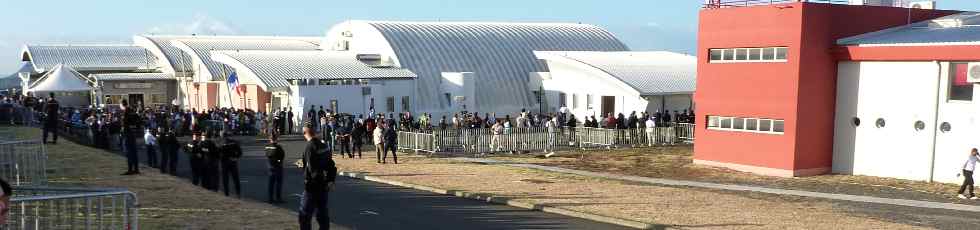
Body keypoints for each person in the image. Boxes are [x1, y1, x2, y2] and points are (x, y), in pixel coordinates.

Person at [295, 121, 337, 230]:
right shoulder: (324, 146)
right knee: (322, 215)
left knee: (304, 216)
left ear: (305, 133)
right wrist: (330, 180)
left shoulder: (309, 147)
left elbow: (311, 169)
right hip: (324, 186)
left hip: (312, 187)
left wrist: (308, 180)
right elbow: (331, 165)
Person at [121, 100, 141, 175]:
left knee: (129, 153)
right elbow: (139, 122)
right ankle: (136, 169)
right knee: (134, 152)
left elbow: (125, 123)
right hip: (133, 134)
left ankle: (130, 169)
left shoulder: (126, 112)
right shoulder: (133, 112)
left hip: (128, 134)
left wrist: (125, 128)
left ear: (122, 105)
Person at [220, 133, 243, 198]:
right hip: (233, 162)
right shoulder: (234, 143)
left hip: (225, 163)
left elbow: (219, 154)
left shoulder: (221, 144)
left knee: (225, 179)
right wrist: (235, 157)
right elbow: (240, 152)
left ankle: (226, 193)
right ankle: (238, 193)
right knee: (235, 178)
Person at [265, 135, 286, 203]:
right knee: (278, 183)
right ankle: (278, 197)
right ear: (276, 139)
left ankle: (270, 198)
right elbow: (282, 156)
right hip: (278, 166)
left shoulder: (267, 146)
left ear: (270, 139)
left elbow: (267, 155)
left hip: (270, 166)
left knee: (271, 183)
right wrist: (279, 161)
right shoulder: (278, 147)